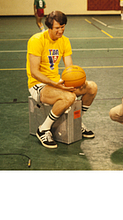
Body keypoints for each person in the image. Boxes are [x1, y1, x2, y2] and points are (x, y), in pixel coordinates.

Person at [26, 11, 97, 149]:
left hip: (57, 82)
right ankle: (43, 129)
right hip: (39, 85)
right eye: (57, 28)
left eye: (63, 27)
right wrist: (55, 84)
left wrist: (75, 82)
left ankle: (77, 121)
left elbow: (69, 68)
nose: (61, 30)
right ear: (49, 27)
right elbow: (34, 72)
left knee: (92, 87)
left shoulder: (65, 41)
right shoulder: (36, 40)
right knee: (69, 97)